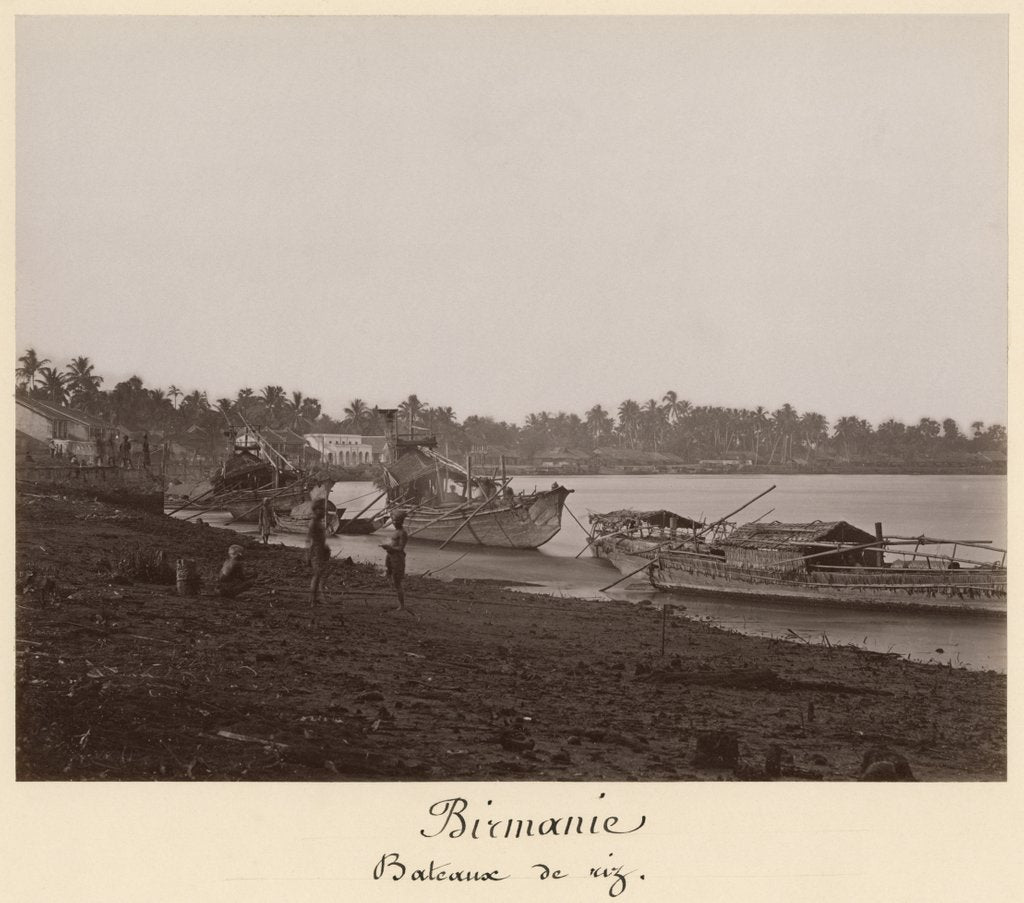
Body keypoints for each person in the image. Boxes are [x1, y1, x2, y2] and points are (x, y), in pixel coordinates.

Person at [305, 498, 333, 607]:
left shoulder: (318, 522)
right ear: (315, 510)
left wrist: (325, 548)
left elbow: (320, 538)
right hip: (315, 552)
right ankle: (313, 599)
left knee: (319, 574)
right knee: (317, 575)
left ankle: (315, 598)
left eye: (323, 509)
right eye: (320, 509)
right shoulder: (313, 523)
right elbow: (309, 540)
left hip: (320, 551)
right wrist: (308, 554)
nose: (322, 511)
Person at [380, 510, 409, 611]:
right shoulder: (396, 532)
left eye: (397, 521)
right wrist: (388, 548)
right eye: (393, 520)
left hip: (398, 559)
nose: (394, 522)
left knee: (397, 582)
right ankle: (399, 603)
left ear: (401, 521)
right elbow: (393, 545)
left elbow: (400, 548)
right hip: (391, 557)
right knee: (392, 580)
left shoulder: (402, 533)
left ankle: (402, 605)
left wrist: (389, 547)